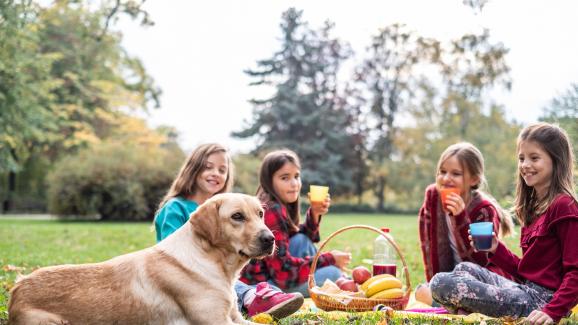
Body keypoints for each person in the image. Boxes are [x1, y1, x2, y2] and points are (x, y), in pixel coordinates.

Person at [430, 123, 578, 324]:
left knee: (440, 283)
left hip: (542, 302)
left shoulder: (564, 206)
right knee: (466, 268)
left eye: (534, 158)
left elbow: (575, 272)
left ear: (556, 160)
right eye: (522, 158)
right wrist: (495, 248)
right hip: (525, 291)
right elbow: (527, 272)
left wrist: (552, 312)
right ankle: (467, 312)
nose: (525, 165)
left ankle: (464, 311)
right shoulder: (535, 208)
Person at [154, 143, 304, 319]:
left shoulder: (228, 207)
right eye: (208, 167)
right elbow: (174, 257)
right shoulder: (175, 208)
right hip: (190, 278)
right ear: (192, 170)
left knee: (260, 287)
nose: (216, 173)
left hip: (225, 274)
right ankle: (251, 297)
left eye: (222, 170)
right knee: (230, 284)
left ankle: (259, 297)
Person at [240, 149, 351, 297]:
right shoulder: (271, 209)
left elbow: (304, 238)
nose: (294, 184)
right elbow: (284, 273)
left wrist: (315, 213)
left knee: (301, 240)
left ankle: (344, 282)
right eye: (285, 178)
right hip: (262, 286)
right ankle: (345, 282)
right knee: (334, 274)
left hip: (276, 276)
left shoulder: (278, 203)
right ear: (269, 180)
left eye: (296, 176)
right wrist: (329, 258)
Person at [415, 142, 515, 305]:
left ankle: (458, 306)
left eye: (455, 174)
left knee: (471, 296)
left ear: (474, 179)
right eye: (442, 172)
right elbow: (428, 246)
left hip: (483, 281)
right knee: (421, 291)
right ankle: (450, 304)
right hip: (451, 280)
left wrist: (461, 218)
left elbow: (481, 262)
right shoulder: (433, 196)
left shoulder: (485, 210)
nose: (446, 178)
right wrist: (436, 286)